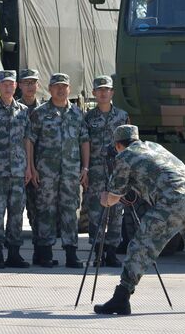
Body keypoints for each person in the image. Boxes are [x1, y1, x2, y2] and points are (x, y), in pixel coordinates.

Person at [95, 125, 185, 315]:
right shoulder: (154, 147)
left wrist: (105, 198)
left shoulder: (124, 156)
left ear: (118, 145)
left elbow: (113, 197)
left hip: (172, 200)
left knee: (141, 245)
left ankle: (121, 297)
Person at [27, 73, 90, 268]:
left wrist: (85, 167)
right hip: (46, 172)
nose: (61, 90)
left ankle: (71, 253)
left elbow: (84, 141)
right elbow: (30, 140)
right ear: (50, 89)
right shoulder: (40, 113)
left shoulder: (77, 114)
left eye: (64, 86)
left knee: (70, 212)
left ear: (69, 89)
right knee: (46, 211)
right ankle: (45, 253)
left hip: (71, 173)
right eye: (56, 87)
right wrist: (31, 167)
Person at [0, 70, 31, 268]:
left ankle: (14, 253)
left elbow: (27, 139)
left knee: (16, 213)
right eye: (4, 84)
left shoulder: (23, 111)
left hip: (19, 170)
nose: (8, 87)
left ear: (16, 86)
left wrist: (29, 166)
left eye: (11, 84)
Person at [83, 75, 129, 267]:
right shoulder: (88, 118)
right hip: (95, 171)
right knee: (96, 213)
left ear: (112, 93)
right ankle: (98, 253)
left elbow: (130, 145)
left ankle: (111, 251)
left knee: (116, 212)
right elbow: (83, 144)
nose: (103, 93)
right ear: (94, 93)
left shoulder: (122, 116)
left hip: (117, 171)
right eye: (99, 90)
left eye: (107, 89)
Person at [17, 68, 51, 265]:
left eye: (33, 83)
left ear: (38, 86)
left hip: (41, 169)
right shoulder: (13, 108)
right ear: (20, 85)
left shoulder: (46, 110)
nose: (30, 86)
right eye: (26, 82)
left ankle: (40, 252)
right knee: (19, 210)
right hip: (15, 168)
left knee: (39, 210)